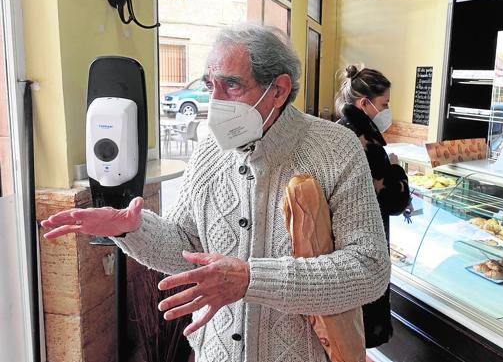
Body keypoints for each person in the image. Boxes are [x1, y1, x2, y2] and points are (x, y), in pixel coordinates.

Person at [41, 25, 390, 362]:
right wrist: (130, 229)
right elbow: (183, 247)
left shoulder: (336, 149)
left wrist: (251, 279)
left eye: (232, 86)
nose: (215, 101)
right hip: (216, 353)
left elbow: (369, 269)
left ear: (279, 90)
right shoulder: (210, 151)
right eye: (210, 85)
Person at [336, 65, 410, 348]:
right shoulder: (367, 142)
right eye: (385, 104)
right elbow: (394, 201)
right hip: (365, 245)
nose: (388, 110)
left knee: (344, 329)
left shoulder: (338, 131)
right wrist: (397, 170)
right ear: (364, 103)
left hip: (342, 246)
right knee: (361, 328)